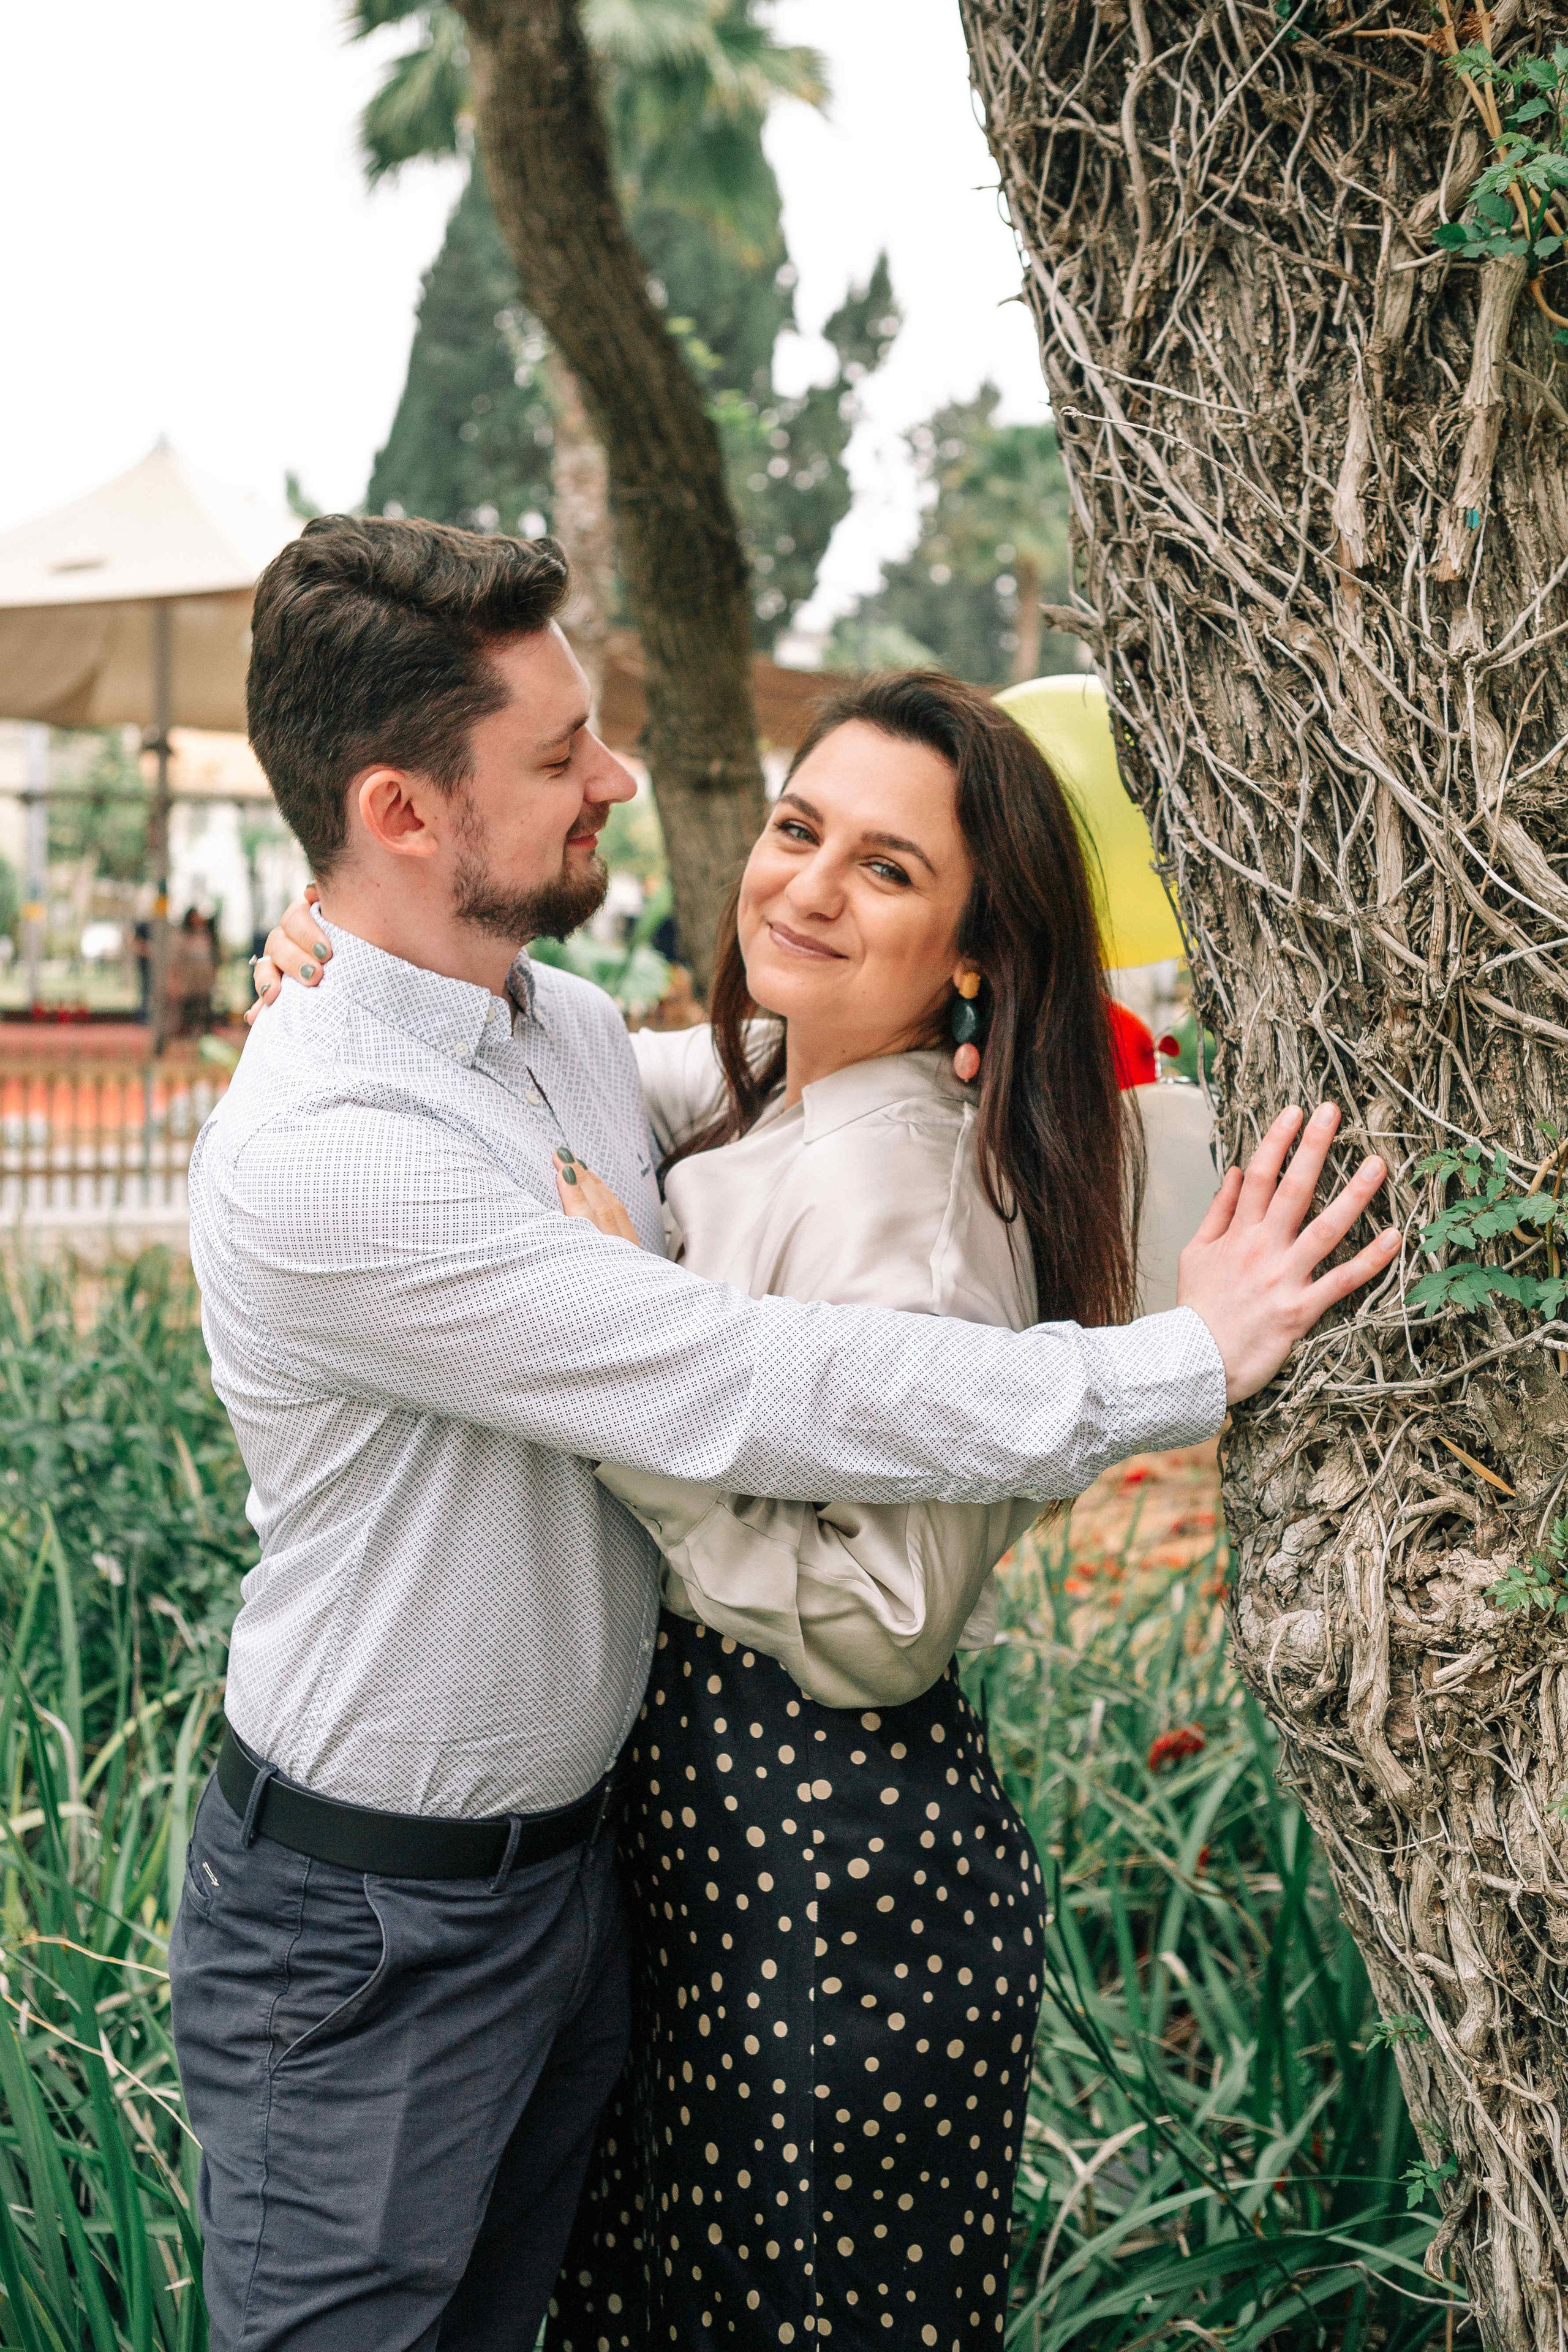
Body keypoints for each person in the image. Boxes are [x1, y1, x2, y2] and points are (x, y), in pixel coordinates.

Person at [196, 513, 1396, 2352]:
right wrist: (1176, 1364)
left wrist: (952, 1045)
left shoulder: (547, 1027)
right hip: (380, 1921)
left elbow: (763, 1099)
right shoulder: (340, 1159)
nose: (617, 778)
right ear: (402, 812)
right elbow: (751, 1381)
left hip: (594, 1891)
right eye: (558, 758)